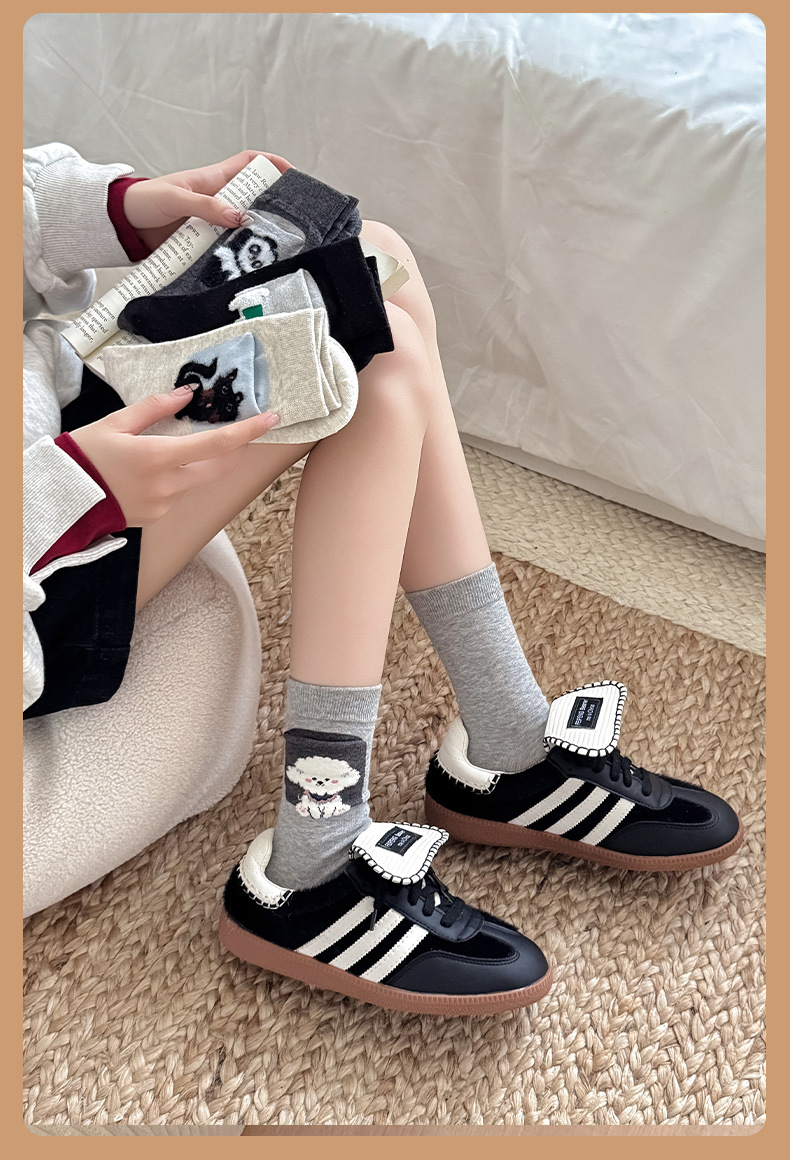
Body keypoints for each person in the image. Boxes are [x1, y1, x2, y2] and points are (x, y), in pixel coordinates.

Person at [23, 144, 743, 1016]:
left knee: (373, 260)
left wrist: (120, 205)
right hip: (37, 552)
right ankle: (317, 851)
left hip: (58, 404)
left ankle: (507, 730)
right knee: (372, 364)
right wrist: (74, 490)